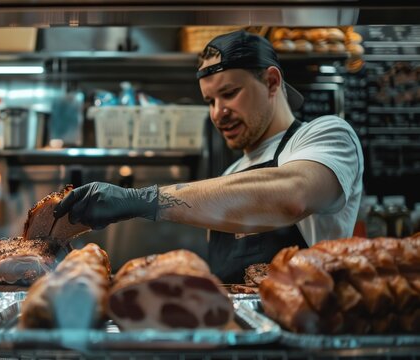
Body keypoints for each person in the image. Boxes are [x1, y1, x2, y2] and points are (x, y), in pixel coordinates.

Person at [53, 30, 364, 284]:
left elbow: (293, 195)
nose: (218, 113)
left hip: (302, 333)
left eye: (229, 94)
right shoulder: (232, 172)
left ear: (271, 82)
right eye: (210, 101)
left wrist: (143, 199)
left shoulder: (325, 135)